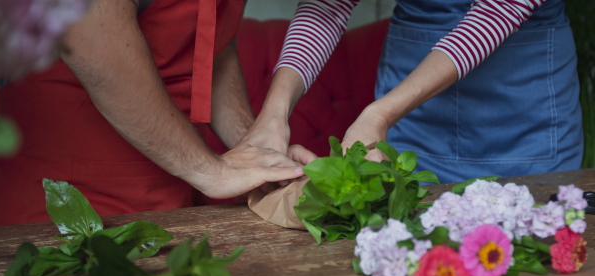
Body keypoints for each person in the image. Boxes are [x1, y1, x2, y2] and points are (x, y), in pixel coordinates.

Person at [0, 0, 315, 226]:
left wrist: (256, 149)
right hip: (67, 201)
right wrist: (211, 172)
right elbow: (92, 38)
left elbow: (213, 51)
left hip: (176, 196)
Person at [242, 0, 583, 184]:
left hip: (522, 105)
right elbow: (328, 5)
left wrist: (380, 113)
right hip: (412, 115)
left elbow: (500, 8)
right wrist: (274, 113)